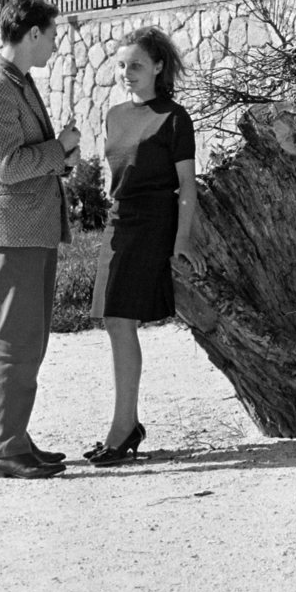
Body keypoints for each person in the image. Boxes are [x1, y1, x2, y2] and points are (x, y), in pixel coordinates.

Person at [0, 0, 81, 480]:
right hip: (11, 235)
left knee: (30, 340)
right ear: (32, 33)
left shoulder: (18, 82)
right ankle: (5, 448)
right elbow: (9, 166)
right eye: (51, 35)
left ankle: (17, 437)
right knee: (16, 341)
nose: (54, 44)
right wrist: (61, 150)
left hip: (30, 231)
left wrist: (61, 159)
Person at [84, 26, 202, 466]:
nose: (126, 73)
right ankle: (126, 424)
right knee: (113, 321)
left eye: (135, 65)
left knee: (119, 319)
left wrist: (182, 238)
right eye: (120, 65)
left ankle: (122, 427)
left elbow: (187, 185)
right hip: (119, 222)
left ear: (157, 67)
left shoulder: (174, 117)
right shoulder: (114, 115)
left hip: (154, 224)